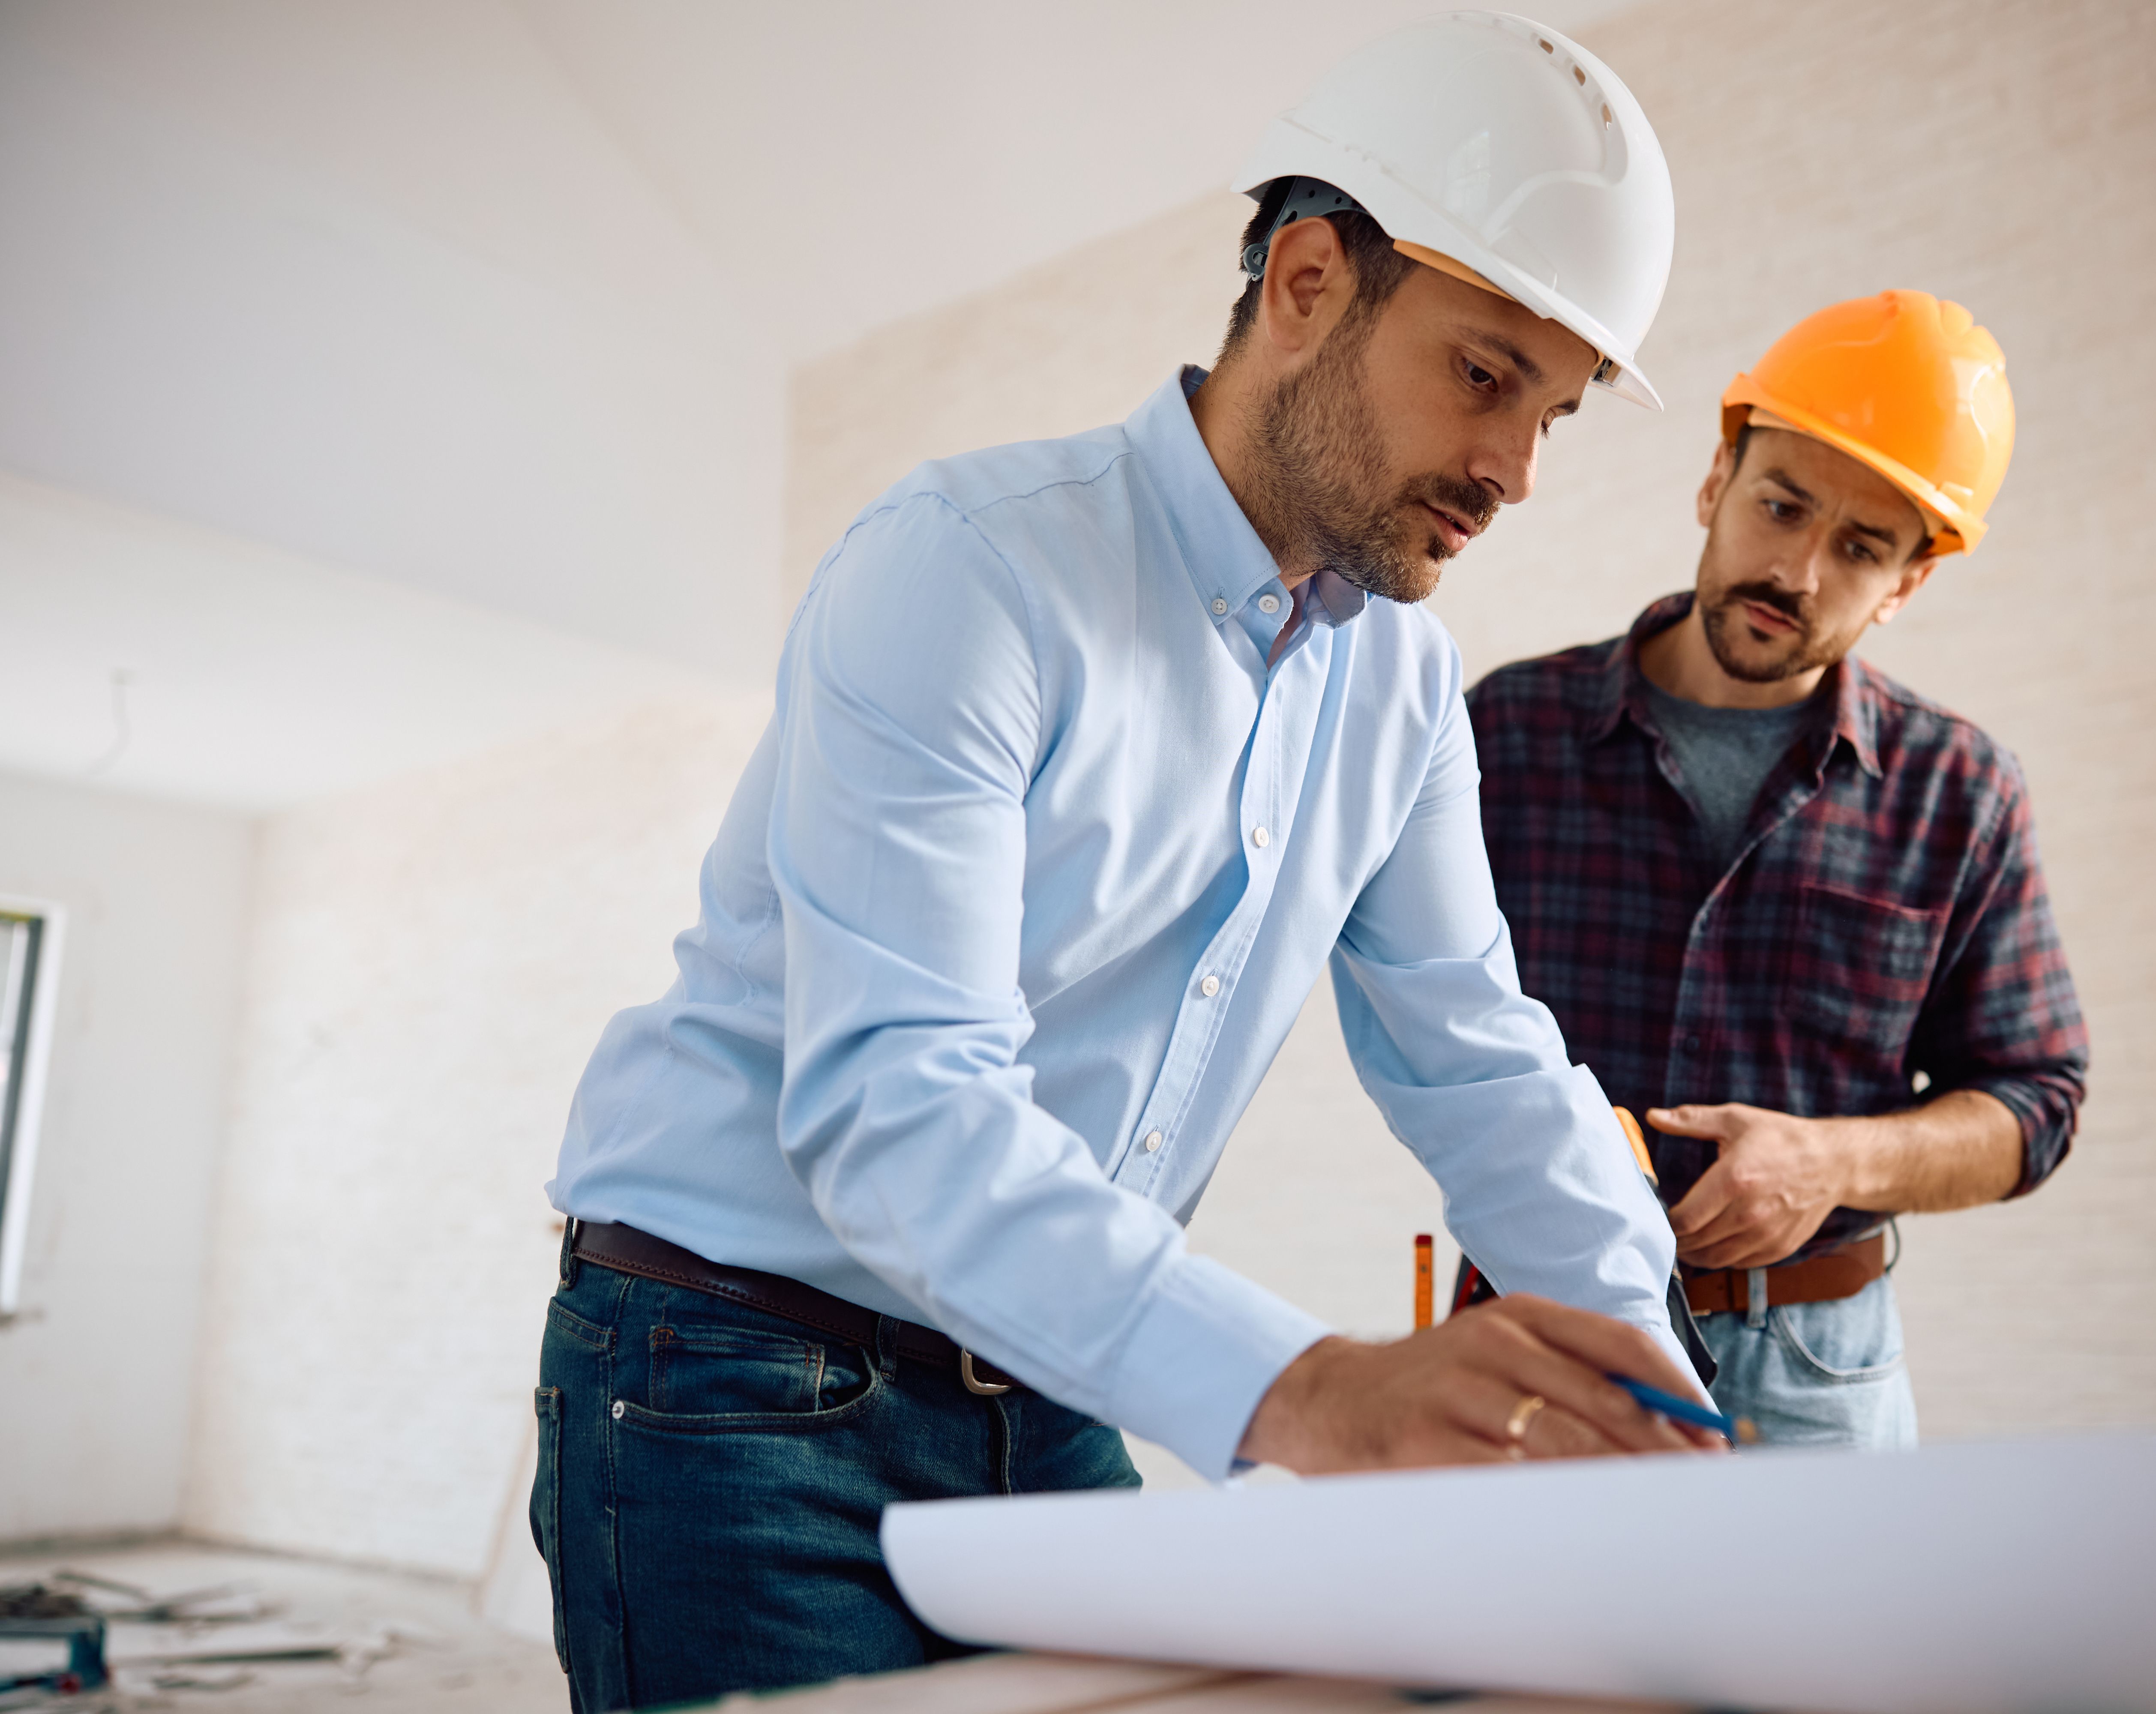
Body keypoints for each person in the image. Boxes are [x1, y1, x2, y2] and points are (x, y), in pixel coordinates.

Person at [531, 17, 1718, 1711]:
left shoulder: (1395, 689)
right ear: (1306, 280)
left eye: (1559, 411)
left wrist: (1659, 1421)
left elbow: (1483, 1063)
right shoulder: (968, 573)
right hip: (732, 1364)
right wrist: (1310, 1389)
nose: (1516, 474)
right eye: (1483, 375)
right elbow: (900, 1102)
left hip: (1045, 1360)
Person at [1458, 291, 2090, 1449]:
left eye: (1860, 548)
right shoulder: (1505, 734)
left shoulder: (1962, 792)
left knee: (1838, 1642)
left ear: (1907, 583)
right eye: (1781, 506)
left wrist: (1834, 1158)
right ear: (1716, 483)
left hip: (1817, 1374)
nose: (1796, 570)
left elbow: (2036, 1103)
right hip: (1541, 1344)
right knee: (1528, 1639)